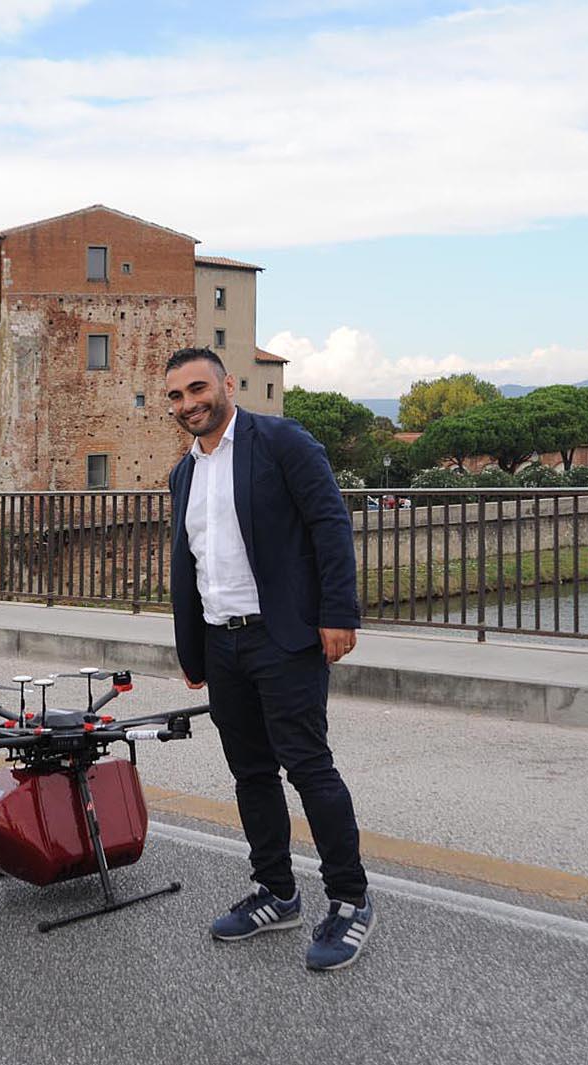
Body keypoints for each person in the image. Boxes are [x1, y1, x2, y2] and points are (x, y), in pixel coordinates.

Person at [163, 347, 373, 972]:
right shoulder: (184, 473)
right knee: (250, 773)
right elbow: (191, 562)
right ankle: (277, 892)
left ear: (227, 383)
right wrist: (193, 646)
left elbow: (329, 524)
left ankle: (350, 899)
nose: (188, 404)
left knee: (308, 767)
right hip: (222, 641)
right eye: (175, 396)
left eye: (197, 388)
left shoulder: (282, 441)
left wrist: (338, 613)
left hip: (282, 638)